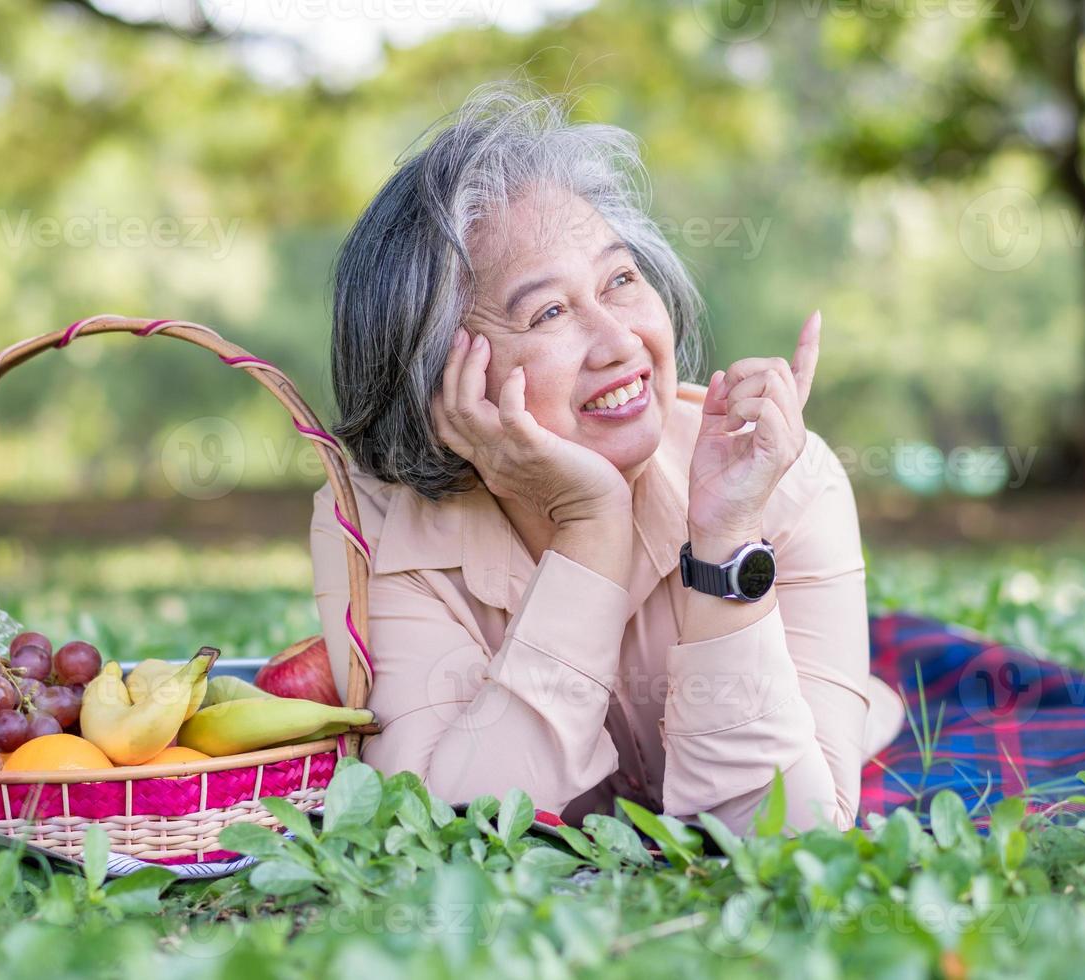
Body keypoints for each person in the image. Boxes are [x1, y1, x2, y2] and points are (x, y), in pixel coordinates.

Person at [309, 84, 905, 835]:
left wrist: (724, 547)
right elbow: (443, 827)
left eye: (621, 280)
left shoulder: (784, 480)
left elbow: (792, 837)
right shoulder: (373, 520)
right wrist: (590, 528)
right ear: (439, 377)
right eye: (549, 312)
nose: (621, 340)